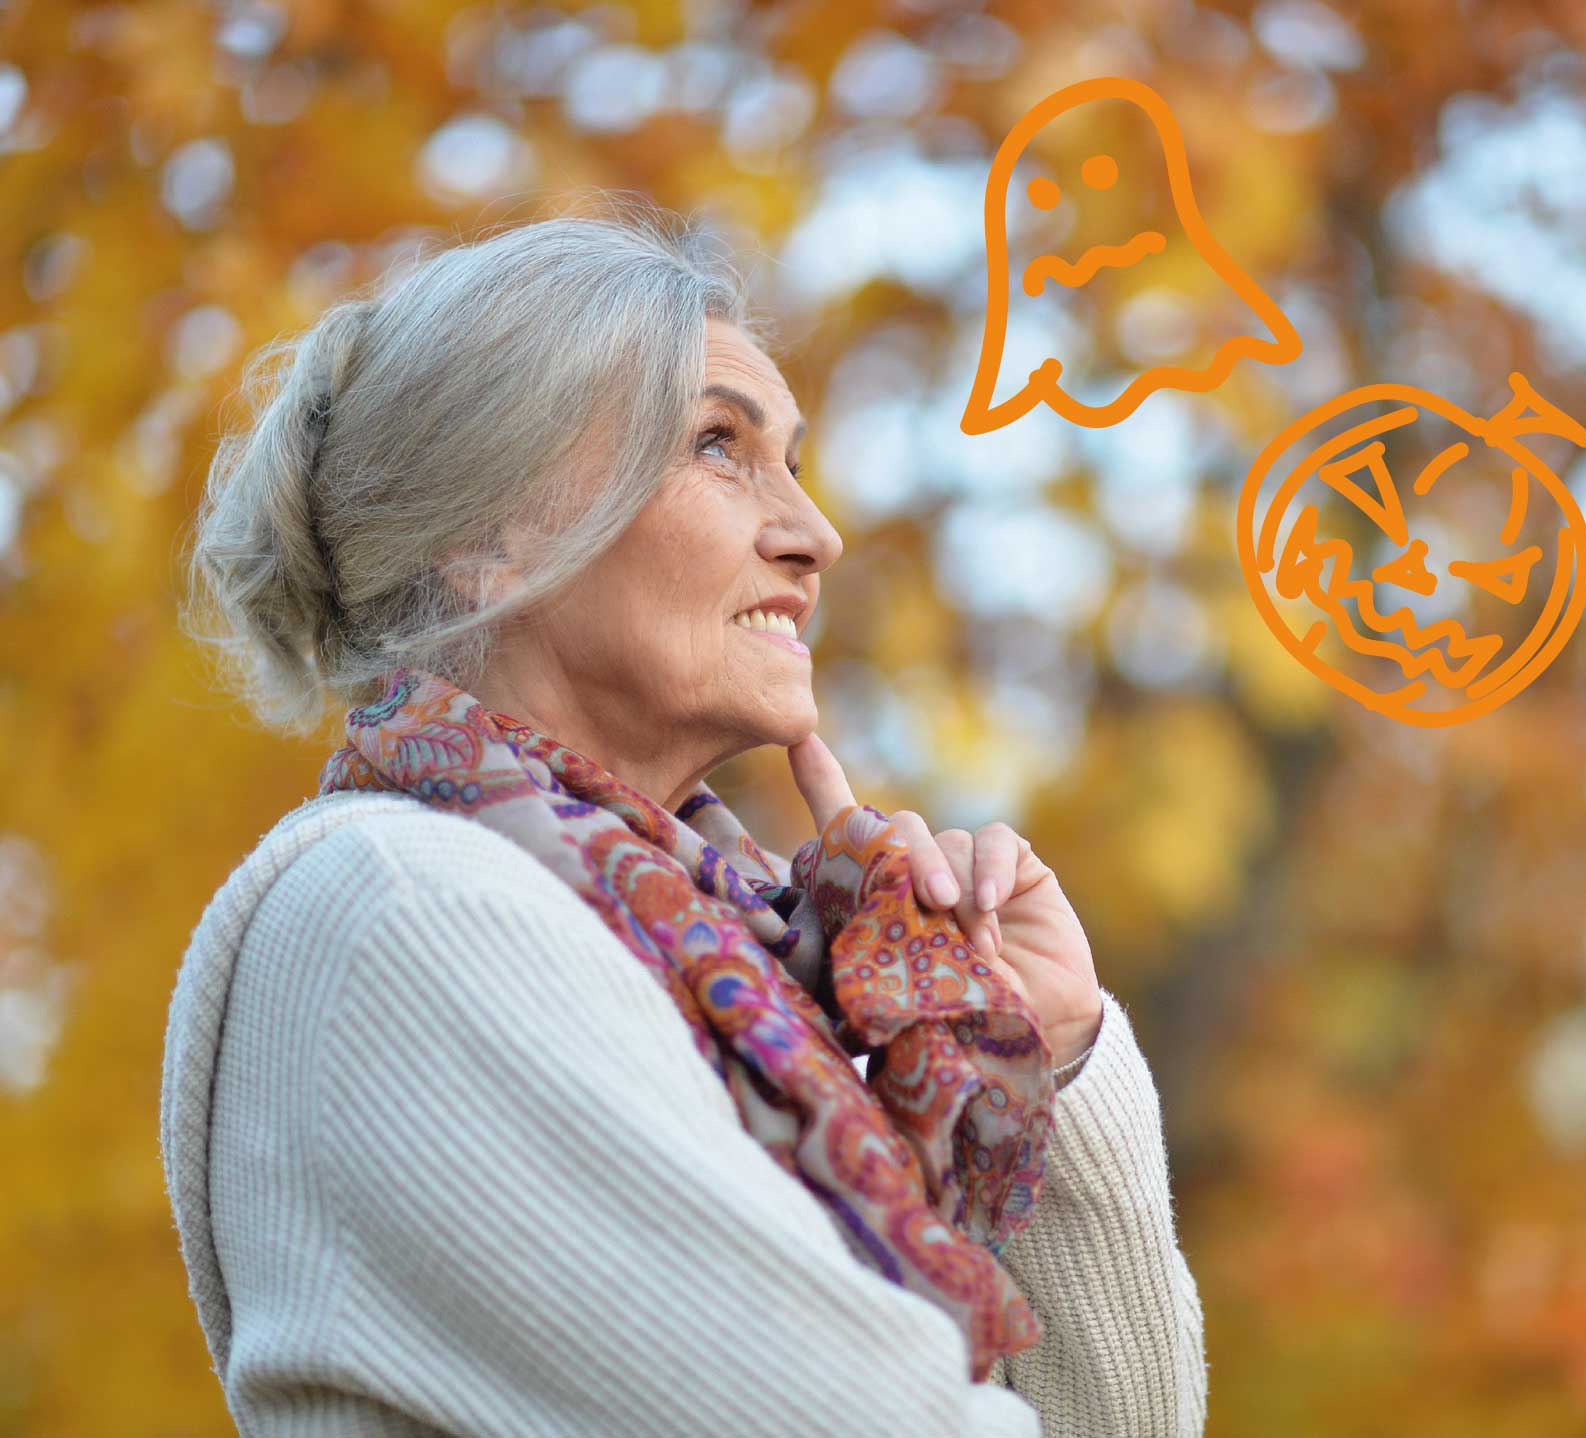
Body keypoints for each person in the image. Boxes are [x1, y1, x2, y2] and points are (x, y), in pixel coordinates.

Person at [161, 198, 1208, 1437]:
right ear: (486, 535)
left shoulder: (745, 964)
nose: (815, 534)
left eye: (797, 465)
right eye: (719, 446)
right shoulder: (409, 911)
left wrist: (1056, 1050)